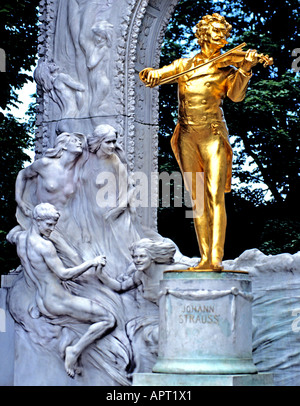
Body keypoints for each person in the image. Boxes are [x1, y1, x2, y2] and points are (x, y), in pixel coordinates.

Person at [140, 13, 261, 271]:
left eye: (224, 32)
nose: (223, 36)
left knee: (214, 195)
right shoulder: (185, 65)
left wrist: (246, 68)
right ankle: (204, 258)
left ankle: (215, 259)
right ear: (204, 34)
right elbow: (159, 75)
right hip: (186, 135)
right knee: (196, 199)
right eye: (216, 31)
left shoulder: (227, 68)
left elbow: (236, 96)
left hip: (212, 134)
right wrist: (150, 74)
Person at [8, 203, 115, 378]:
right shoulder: (44, 246)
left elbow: (10, 236)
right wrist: (91, 262)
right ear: (37, 220)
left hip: (41, 300)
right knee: (107, 319)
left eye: (54, 225)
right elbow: (63, 274)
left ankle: (69, 341)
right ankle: (74, 351)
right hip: (56, 299)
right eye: (49, 224)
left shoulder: (20, 239)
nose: (52, 229)